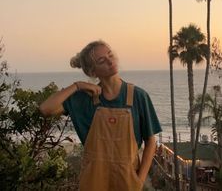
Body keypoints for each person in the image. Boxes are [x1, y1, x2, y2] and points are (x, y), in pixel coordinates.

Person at [40, 40, 162, 191]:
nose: (110, 61)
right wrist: (77, 86)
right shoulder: (84, 100)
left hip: (128, 183)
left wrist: (139, 180)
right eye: (102, 60)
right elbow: (45, 109)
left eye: (110, 55)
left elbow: (150, 141)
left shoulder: (138, 96)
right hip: (93, 182)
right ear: (92, 72)